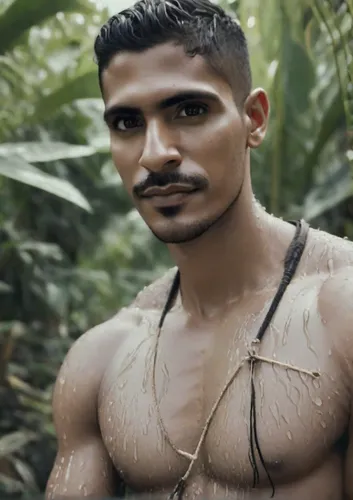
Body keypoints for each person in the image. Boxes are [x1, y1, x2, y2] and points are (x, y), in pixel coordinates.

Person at [46, 0, 353, 499]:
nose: (155, 153)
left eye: (189, 111)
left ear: (253, 118)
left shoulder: (339, 312)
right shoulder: (102, 359)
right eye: (126, 123)